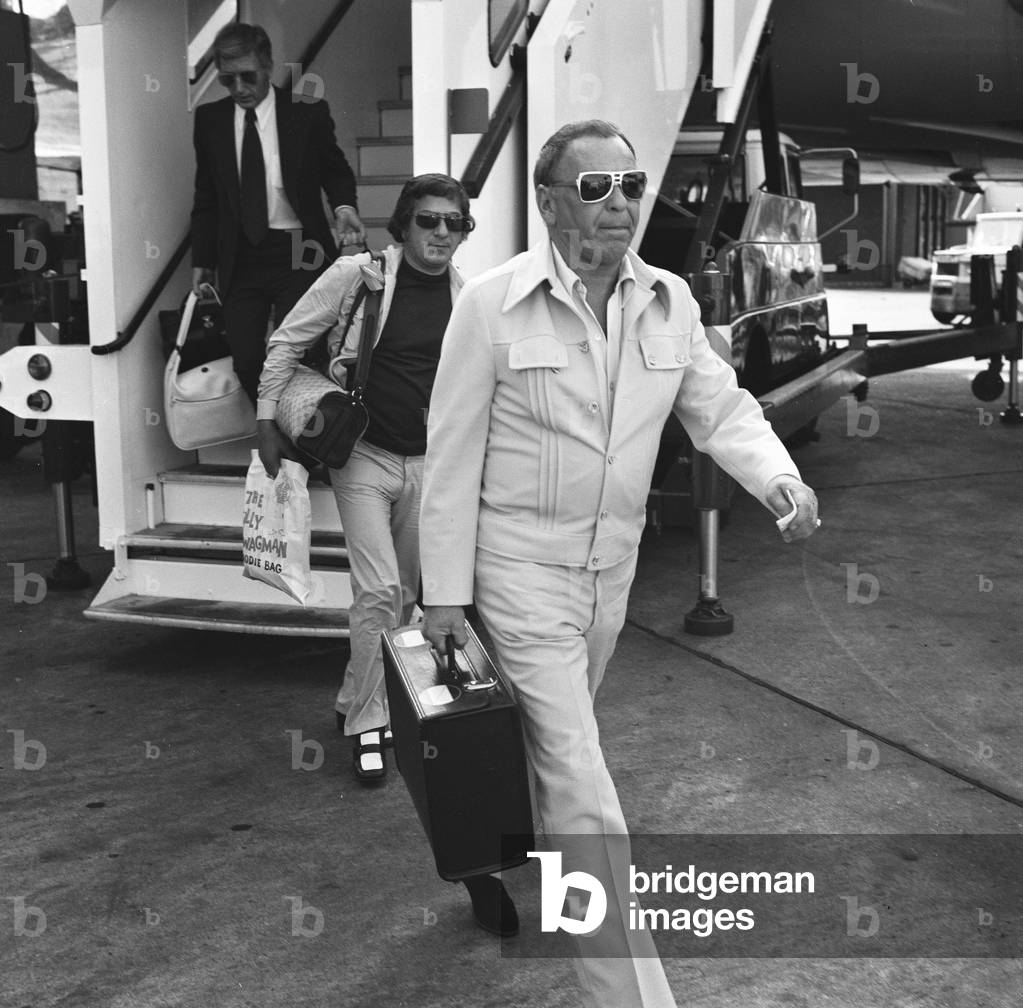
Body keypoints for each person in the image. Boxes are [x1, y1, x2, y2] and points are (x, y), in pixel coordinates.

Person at [419, 120, 821, 1006]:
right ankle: (630, 995)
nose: (619, 204)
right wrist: (442, 598)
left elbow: (722, 410)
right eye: (594, 188)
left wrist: (781, 483)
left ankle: (491, 855)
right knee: (580, 782)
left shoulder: (669, 302)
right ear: (549, 202)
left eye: (631, 186)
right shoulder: (490, 304)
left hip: (611, 574)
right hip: (518, 569)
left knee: (555, 759)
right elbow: (447, 458)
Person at [190, 22, 365, 404]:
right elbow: (207, 196)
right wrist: (202, 260)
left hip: (299, 249)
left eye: (247, 77)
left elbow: (335, 169)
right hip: (240, 255)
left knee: (295, 353)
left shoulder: (306, 112)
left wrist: (344, 208)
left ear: (267, 65)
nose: (239, 89)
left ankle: (304, 449)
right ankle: (280, 444)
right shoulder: (210, 121)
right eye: (227, 80)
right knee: (247, 359)